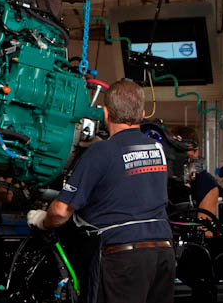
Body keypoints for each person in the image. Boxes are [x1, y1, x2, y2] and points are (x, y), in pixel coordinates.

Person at [27, 79, 175, 303]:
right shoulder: (158, 150)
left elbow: (60, 211)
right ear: (142, 113)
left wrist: (42, 221)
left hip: (123, 258)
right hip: (163, 254)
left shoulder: (102, 151)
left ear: (105, 113)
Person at [169, 125, 221, 219]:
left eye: (183, 152)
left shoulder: (206, 183)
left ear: (196, 152)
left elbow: (205, 229)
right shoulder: (160, 179)